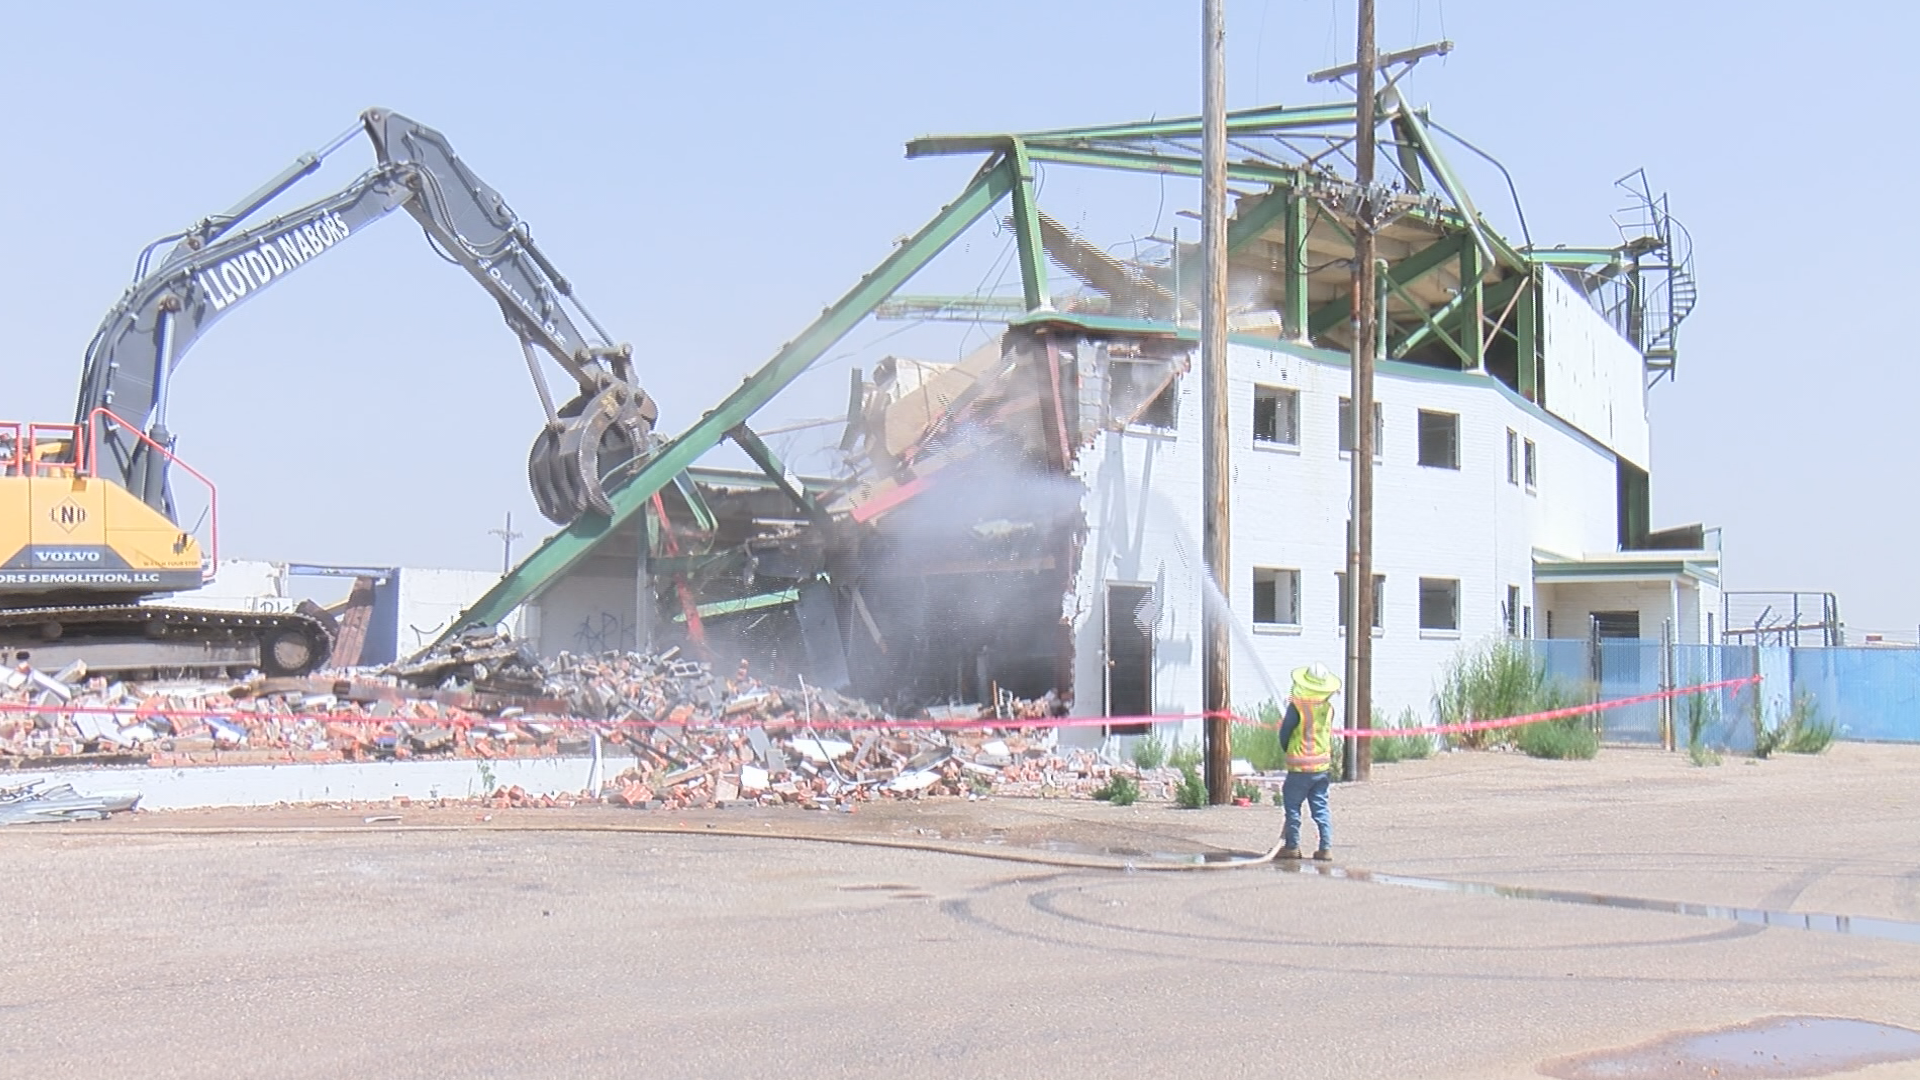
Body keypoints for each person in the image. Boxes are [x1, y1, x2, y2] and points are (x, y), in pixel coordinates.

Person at [1276, 662, 1341, 861]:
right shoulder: (1328, 709)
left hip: (1300, 766)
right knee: (1320, 807)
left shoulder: (1297, 708)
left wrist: (1288, 749)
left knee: (1293, 807)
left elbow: (1285, 732)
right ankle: (1325, 848)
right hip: (1321, 767)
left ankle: (1292, 846)